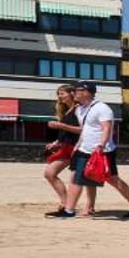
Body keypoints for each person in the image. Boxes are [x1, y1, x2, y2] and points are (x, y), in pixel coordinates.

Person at [66, 82, 129, 220]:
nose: (74, 93)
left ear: (86, 92)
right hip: (85, 149)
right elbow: (85, 129)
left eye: (77, 90)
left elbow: (107, 128)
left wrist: (101, 145)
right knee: (77, 177)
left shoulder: (102, 108)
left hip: (103, 151)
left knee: (112, 179)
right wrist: (78, 144)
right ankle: (69, 210)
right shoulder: (79, 109)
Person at [42, 84, 80, 217]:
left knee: (79, 179)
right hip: (66, 147)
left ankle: (71, 206)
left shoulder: (78, 109)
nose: (59, 96)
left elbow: (82, 130)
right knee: (49, 173)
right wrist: (56, 143)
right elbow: (65, 133)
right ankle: (65, 203)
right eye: (58, 94)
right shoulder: (67, 110)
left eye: (62, 93)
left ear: (71, 94)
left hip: (77, 147)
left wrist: (60, 125)